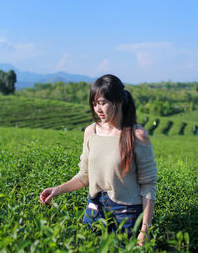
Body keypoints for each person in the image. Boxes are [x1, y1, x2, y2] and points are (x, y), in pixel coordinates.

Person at [39, 74, 157, 247]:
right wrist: (58, 189)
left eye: (102, 103)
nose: (98, 109)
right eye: (94, 104)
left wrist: (144, 230)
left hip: (127, 213)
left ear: (119, 101)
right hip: (94, 208)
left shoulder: (137, 135)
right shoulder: (90, 131)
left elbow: (148, 185)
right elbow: (85, 175)